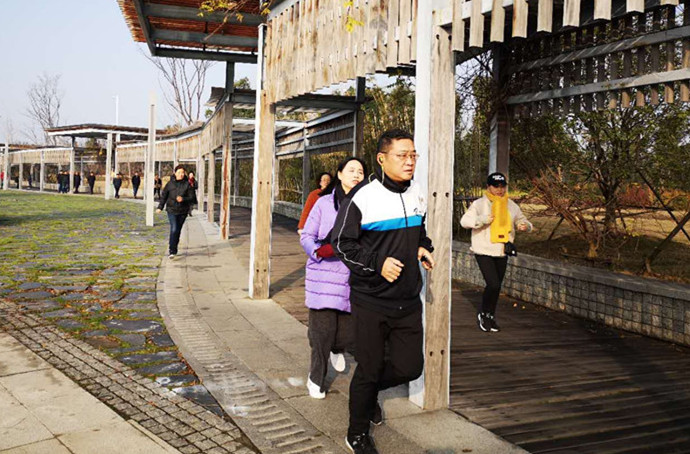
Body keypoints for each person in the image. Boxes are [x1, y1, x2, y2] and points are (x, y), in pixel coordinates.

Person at [331, 129, 434, 454]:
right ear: (381, 158)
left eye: (413, 155)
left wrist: (423, 247)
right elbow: (341, 243)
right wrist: (378, 263)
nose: (410, 161)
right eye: (402, 155)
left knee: (410, 368)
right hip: (370, 301)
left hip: (408, 300)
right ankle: (357, 433)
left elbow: (419, 229)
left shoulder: (417, 191)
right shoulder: (362, 197)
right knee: (370, 368)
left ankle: (368, 393)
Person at [300, 158, 366, 399]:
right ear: (339, 174)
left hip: (352, 275)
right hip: (324, 274)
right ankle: (316, 378)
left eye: (361, 171)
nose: (356, 175)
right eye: (351, 170)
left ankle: (337, 348)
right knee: (321, 333)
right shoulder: (324, 203)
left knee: (348, 333)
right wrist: (317, 252)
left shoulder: (368, 205)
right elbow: (307, 235)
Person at [461, 172, 532, 332]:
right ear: (488, 187)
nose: (500, 190)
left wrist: (524, 226)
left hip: (502, 250)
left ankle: (490, 315)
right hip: (483, 250)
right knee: (493, 284)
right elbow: (464, 221)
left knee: (497, 286)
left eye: (502, 186)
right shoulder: (479, 204)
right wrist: (482, 220)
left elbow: (523, 220)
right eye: (496, 186)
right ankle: (484, 314)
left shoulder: (511, 205)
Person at [157, 165, 196, 258]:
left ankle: (174, 248)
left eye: (182, 172)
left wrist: (183, 199)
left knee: (177, 230)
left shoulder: (187, 184)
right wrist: (160, 207)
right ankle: (172, 250)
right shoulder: (170, 184)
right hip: (171, 210)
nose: (181, 174)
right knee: (174, 229)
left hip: (183, 211)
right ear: (175, 173)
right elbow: (164, 196)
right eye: (179, 172)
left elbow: (193, 198)